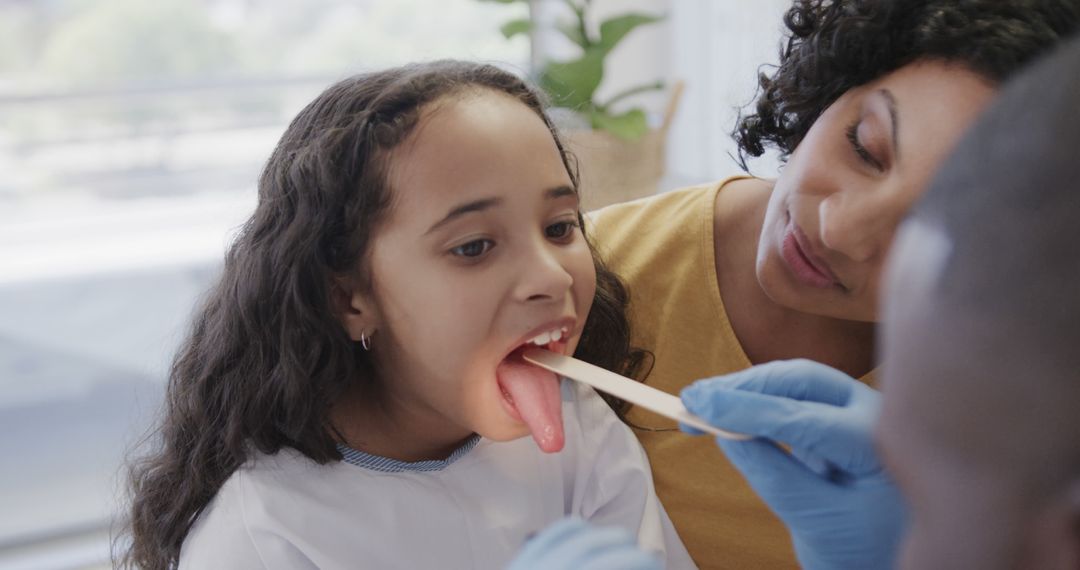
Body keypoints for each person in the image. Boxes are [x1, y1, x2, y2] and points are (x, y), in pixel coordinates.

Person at [510, 31, 1080, 570]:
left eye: (925, 224)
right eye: (865, 147)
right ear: (833, 87)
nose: (841, 229)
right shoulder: (574, 280)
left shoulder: (1028, 415)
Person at [119, 61, 693, 569]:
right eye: (473, 246)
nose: (552, 276)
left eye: (560, 227)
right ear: (349, 298)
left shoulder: (582, 433)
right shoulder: (266, 536)